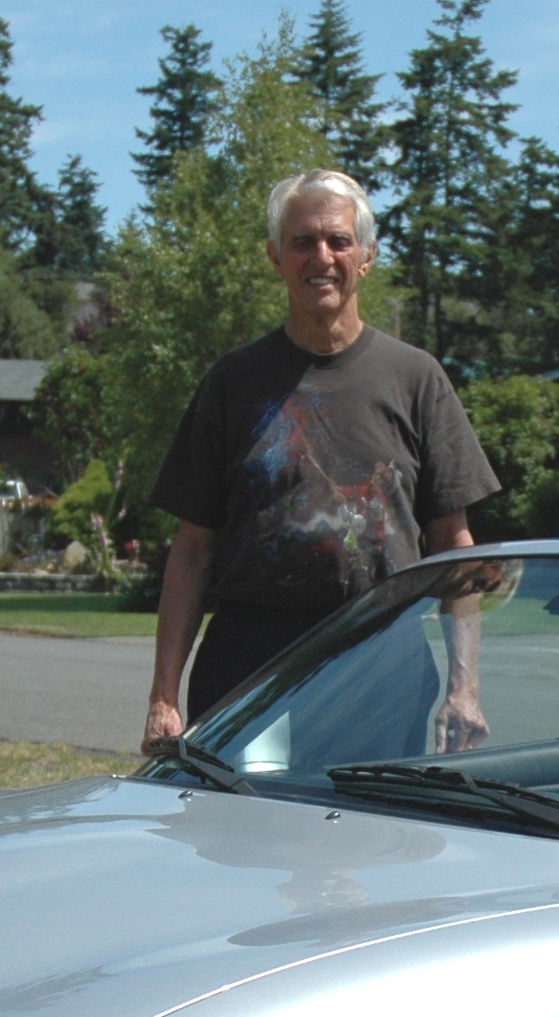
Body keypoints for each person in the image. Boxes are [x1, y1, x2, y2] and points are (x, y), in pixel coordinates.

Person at [140, 168, 501, 756]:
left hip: (381, 661)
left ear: (366, 258)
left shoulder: (415, 379)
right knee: (241, 839)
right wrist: (163, 697)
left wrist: (465, 687)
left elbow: (454, 545)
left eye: (339, 241)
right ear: (275, 257)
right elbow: (192, 552)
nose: (322, 257)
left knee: (367, 843)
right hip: (248, 667)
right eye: (302, 241)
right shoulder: (234, 383)